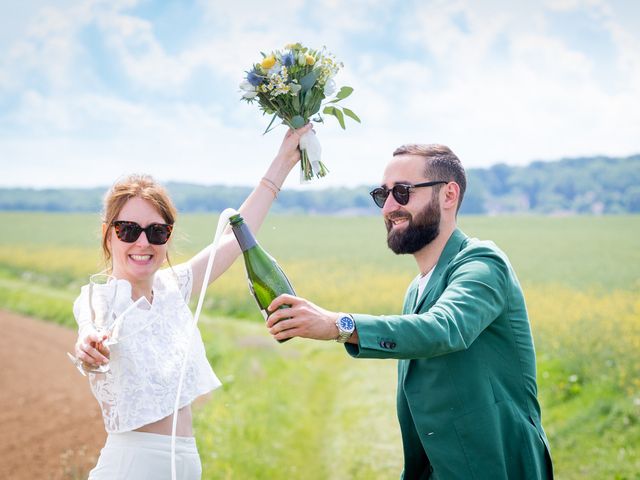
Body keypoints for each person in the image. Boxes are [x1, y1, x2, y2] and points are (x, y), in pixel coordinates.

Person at [266, 144, 554, 479]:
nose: (389, 207)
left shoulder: (482, 263)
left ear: (448, 195)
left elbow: (443, 328)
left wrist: (337, 325)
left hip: (498, 465)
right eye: (382, 194)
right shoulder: (416, 289)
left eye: (402, 192)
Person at [71, 124, 312, 479]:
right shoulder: (99, 298)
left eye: (156, 231)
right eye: (128, 230)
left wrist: (282, 163)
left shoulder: (173, 288)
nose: (143, 243)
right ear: (109, 235)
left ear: (168, 236)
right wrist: (87, 347)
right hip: (132, 466)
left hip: (186, 463)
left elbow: (234, 236)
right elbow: (89, 331)